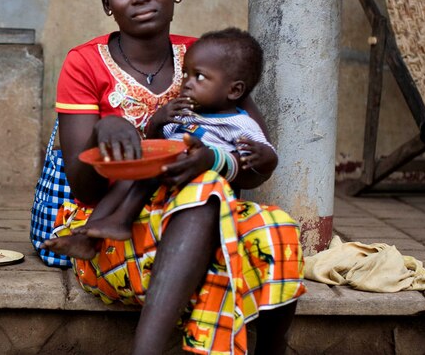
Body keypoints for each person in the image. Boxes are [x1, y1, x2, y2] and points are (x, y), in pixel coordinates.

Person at [42, 0, 305, 355]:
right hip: (111, 230)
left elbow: (254, 158)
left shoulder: (209, 55)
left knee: (277, 226)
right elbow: (84, 188)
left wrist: (229, 160)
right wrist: (106, 130)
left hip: (202, 218)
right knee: (206, 198)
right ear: (107, 3)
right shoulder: (84, 63)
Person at [43, 27, 276, 259]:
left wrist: (259, 155)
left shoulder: (239, 123)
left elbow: (266, 158)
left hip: (201, 191)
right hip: (164, 183)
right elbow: (158, 143)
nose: (187, 83)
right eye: (185, 74)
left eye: (199, 77)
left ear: (234, 90)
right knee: (134, 174)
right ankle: (95, 233)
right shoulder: (186, 113)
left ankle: (119, 221)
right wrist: (157, 122)